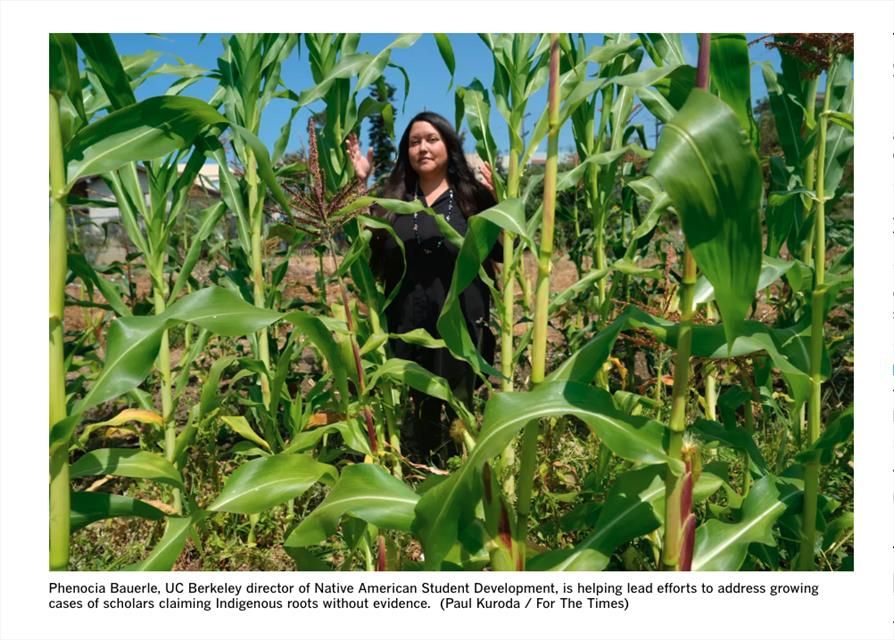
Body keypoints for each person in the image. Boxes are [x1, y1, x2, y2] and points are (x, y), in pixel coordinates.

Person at [346, 111, 498, 462]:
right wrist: (361, 185)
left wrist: (495, 199)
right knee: (420, 404)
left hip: (461, 314)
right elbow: (368, 245)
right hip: (409, 315)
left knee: (461, 401)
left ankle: (466, 469)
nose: (423, 148)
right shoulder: (395, 199)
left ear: (448, 145)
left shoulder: (470, 196)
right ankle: (421, 467)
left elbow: (501, 250)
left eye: (431, 139)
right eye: (415, 142)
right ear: (406, 151)